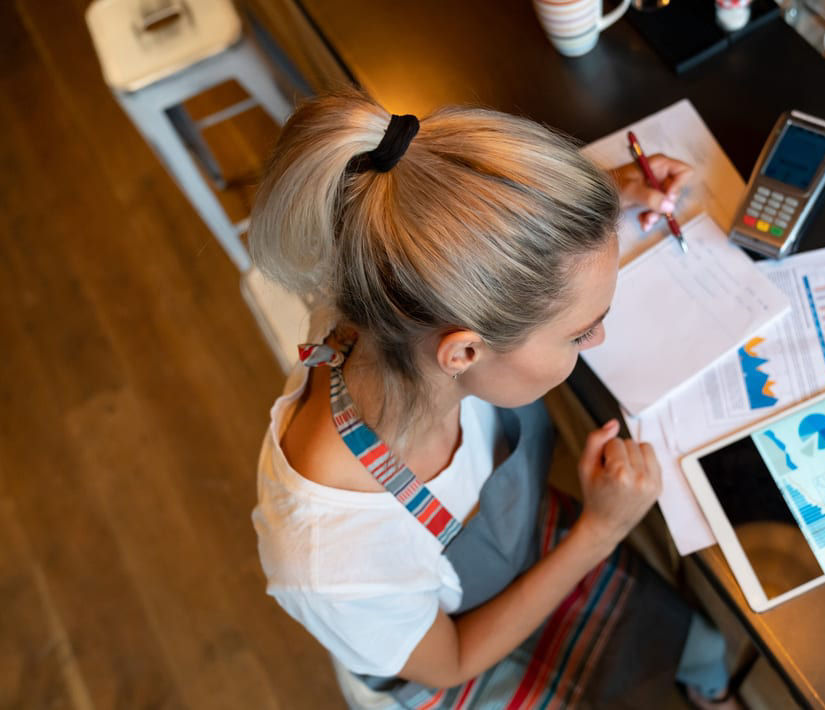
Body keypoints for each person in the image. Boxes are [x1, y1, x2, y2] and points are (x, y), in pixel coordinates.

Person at [249, 91, 738, 709]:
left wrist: (605, 196)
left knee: (698, 641)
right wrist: (599, 530)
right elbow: (450, 664)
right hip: (454, 656)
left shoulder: (388, 298)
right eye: (580, 331)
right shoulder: (333, 557)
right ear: (464, 353)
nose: (599, 339)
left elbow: (465, 233)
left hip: (521, 541)